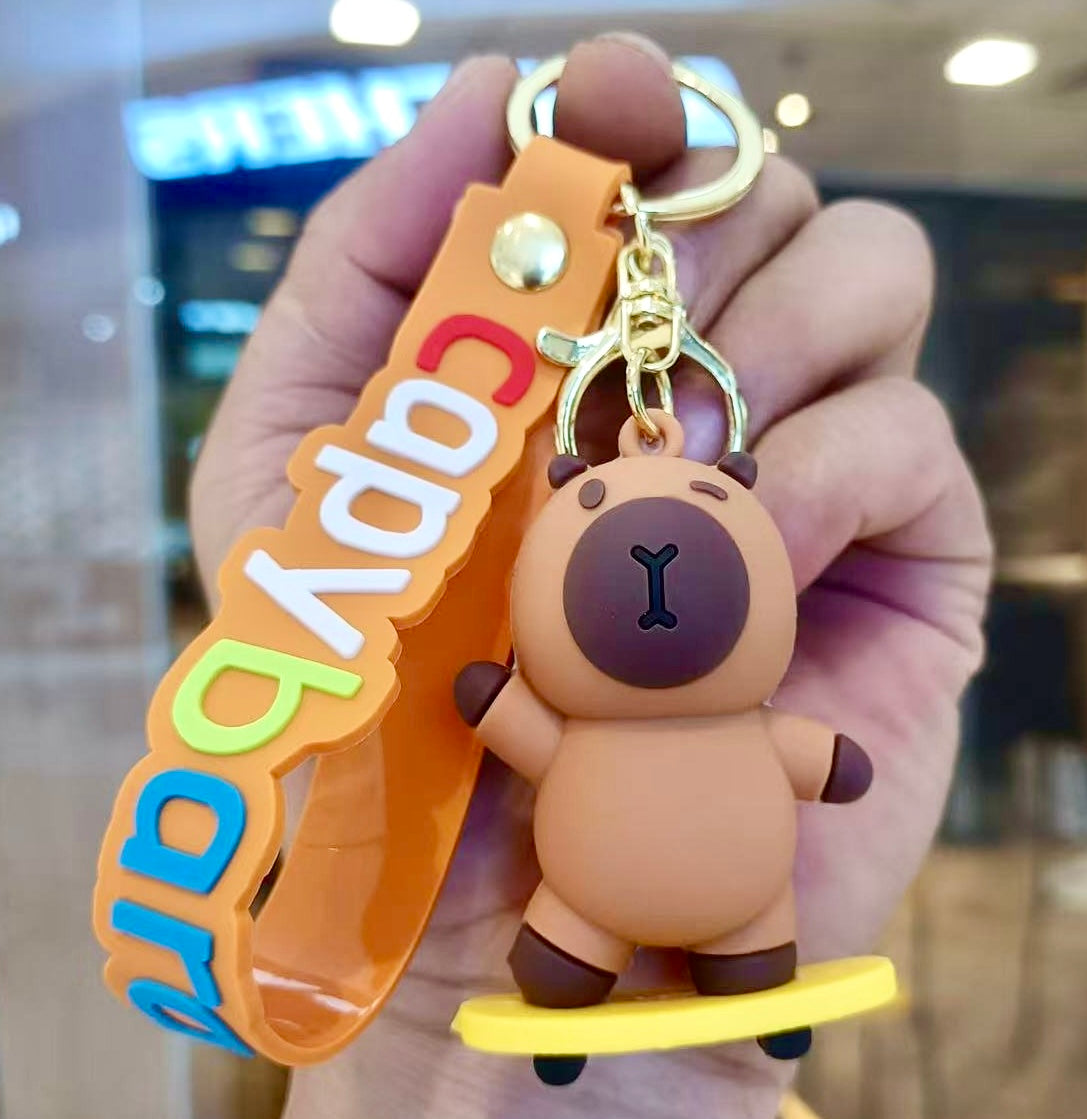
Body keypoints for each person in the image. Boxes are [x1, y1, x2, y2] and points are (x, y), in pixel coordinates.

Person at [189, 32, 992, 1119]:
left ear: (740, 488)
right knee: (576, 932)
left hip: (734, 896)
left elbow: (792, 753)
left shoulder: (706, 711)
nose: (656, 559)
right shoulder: (597, 714)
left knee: (711, 932)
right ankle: (593, 975)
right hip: (577, 898)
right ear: (561, 494)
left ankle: (731, 972)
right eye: (601, 512)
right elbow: (539, 731)